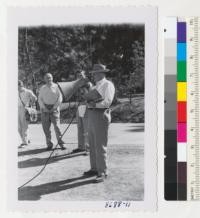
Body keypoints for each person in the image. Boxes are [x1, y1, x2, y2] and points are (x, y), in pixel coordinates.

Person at [83, 64, 115, 183]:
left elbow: (107, 102)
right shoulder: (95, 86)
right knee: (92, 143)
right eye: (93, 73)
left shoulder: (108, 85)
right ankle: (94, 168)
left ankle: (103, 172)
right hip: (92, 114)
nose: (94, 75)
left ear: (102, 73)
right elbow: (91, 98)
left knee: (100, 144)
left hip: (101, 114)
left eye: (95, 73)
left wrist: (94, 104)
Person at [38, 73, 66, 150]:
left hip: (54, 109)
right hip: (45, 110)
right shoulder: (42, 88)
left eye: (50, 78)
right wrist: (44, 108)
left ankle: (61, 144)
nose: (49, 79)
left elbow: (60, 98)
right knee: (46, 129)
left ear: (52, 78)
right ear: (44, 79)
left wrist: (54, 107)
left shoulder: (57, 87)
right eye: (47, 78)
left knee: (57, 128)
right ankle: (49, 144)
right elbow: (39, 99)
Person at [72, 80, 93, 155]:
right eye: (78, 75)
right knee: (80, 128)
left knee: (86, 129)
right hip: (80, 107)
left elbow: (90, 96)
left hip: (86, 107)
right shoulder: (78, 85)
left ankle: (89, 148)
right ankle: (81, 147)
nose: (79, 76)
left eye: (81, 75)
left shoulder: (88, 85)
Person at [18, 80, 37, 147]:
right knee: (18, 127)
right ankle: (26, 139)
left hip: (24, 109)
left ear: (21, 85)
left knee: (24, 126)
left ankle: (24, 142)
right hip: (17, 109)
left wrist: (30, 105)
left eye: (18, 86)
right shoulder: (15, 92)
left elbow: (35, 98)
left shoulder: (28, 91)